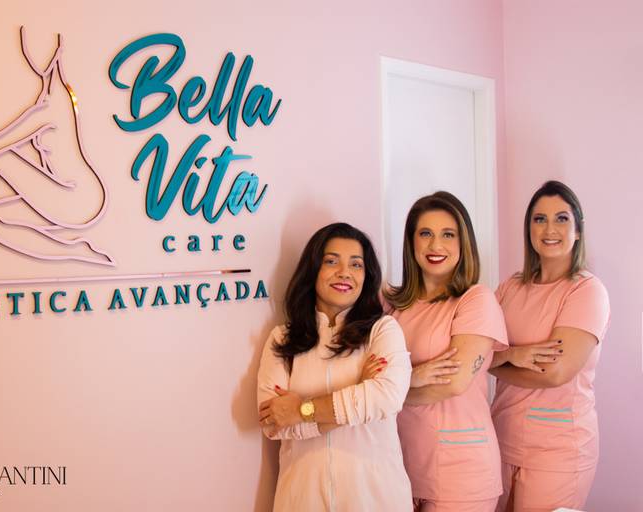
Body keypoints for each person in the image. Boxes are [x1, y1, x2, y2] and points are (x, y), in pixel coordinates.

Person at [257, 222, 413, 511]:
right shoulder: (282, 339)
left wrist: (301, 410)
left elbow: (386, 397)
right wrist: (358, 393)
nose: (345, 272)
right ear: (313, 269)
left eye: (356, 264)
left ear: (366, 276)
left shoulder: (382, 330)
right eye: (331, 261)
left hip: (374, 498)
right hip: (302, 500)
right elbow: (274, 423)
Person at [489, 181, 610, 512]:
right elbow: (476, 351)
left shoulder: (587, 291)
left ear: (578, 229)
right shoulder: (510, 288)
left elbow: (555, 372)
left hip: (559, 450)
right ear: (528, 228)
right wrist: (512, 356)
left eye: (561, 219)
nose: (549, 229)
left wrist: (491, 363)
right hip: (501, 438)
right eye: (539, 219)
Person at [383, 191, 508, 512]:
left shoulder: (475, 300)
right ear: (411, 242)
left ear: (463, 243)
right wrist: (413, 379)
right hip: (402, 465)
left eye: (448, 235)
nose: (435, 245)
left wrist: (384, 395)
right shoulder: (392, 305)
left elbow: (452, 383)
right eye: (425, 233)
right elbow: (364, 373)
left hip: (461, 472)